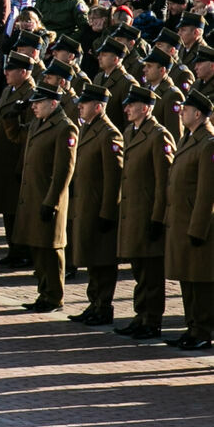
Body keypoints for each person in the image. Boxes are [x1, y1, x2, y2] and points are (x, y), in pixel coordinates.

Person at [114, 85, 174, 340]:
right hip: (133, 213)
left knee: (151, 272)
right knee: (139, 269)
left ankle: (152, 319)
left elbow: (164, 182)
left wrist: (158, 218)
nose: (126, 109)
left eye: (132, 105)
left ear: (146, 108)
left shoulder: (158, 136)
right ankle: (141, 316)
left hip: (149, 214)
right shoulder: (130, 131)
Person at [15, 85, 77, 312]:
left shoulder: (64, 128)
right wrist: (10, 118)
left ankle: (54, 296)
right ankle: (44, 293)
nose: (34, 106)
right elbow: (17, 138)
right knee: (38, 248)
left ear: (53, 103)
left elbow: (64, 170)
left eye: (38, 103)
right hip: (33, 197)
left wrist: (51, 201)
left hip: (48, 200)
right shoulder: (37, 123)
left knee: (51, 251)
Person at [66, 84, 123, 327]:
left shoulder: (109, 135)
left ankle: (104, 306)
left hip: (100, 208)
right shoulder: (89, 129)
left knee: (102, 259)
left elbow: (114, 179)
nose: (80, 105)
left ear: (98, 107)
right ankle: (94, 303)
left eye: (85, 103)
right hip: (86, 205)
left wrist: (108, 212)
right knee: (91, 257)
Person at [165, 91, 214, 349]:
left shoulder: (208, 143)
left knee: (200, 280)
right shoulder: (189, 139)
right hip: (181, 221)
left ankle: (202, 331)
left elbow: (207, 193)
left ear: (198, 113)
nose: (181, 113)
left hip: (198, 226)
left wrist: (197, 228)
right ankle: (192, 328)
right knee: (187, 278)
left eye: (185, 109)